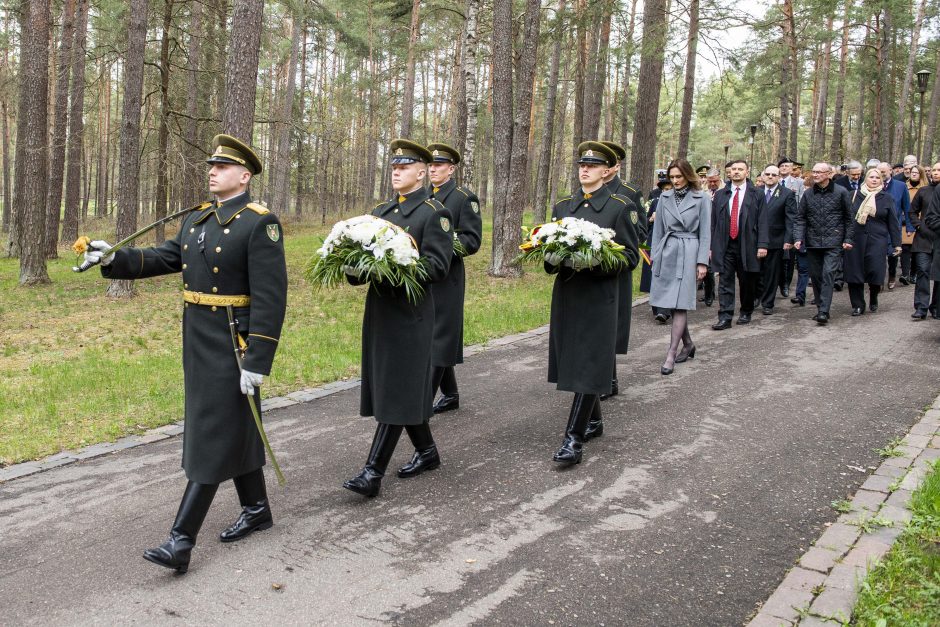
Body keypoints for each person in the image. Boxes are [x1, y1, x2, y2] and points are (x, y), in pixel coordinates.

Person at [82, 134, 288, 573]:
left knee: (213, 432)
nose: (212, 171)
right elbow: (164, 257)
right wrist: (111, 259)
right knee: (229, 423)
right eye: (211, 165)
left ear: (244, 176)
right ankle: (256, 509)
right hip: (198, 340)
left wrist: (257, 361)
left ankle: (181, 540)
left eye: (223, 167)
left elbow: (271, 299)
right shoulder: (197, 219)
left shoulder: (259, 223)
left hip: (234, 344)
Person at [343, 139, 453, 497]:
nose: (396, 171)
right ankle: (427, 451)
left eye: (404, 167)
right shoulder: (380, 212)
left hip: (411, 314)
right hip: (380, 313)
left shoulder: (434, 213)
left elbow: (438, 266)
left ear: (421, 172)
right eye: (393, 166)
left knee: (397, 388)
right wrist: (350, 265)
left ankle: (372, 472)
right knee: (395, 385)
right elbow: (363, 261)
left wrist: (395, 266)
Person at [545, 142, 637, 464]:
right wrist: (551, 256)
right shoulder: (562, 206)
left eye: (594, 166)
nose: (585, 169)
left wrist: (595, 261)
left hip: (599, 297)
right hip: (568, 294)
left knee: (587, 361)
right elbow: (548, 246)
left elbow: (628, 256)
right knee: (574, 358)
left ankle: (573, 440)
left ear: (607, 171)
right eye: (582, 164)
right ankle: (594, 420)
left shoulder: (619, 207)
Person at [425, 142, 483, 414]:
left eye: (439, 165)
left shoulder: (463, 198)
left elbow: (472, 240)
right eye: (431, 165)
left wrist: (442, 246)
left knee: (440, 335)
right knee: (432, 332)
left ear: (451, 168)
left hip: (448, 276)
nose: (433, 169)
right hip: (423, 275)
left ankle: (422, 402)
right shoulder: (423, 196)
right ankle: (451, 394)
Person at [650, 159, 710, 374]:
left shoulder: (702, 198)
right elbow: (657, 230)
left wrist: (702, 262)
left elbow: (705, 232)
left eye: (679, 176)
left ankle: (671, 353)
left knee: (681, 303)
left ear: (688, 175)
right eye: (672, 177)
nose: (675, 181)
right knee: (671, 302)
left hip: (689, 251)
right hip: (668, 250)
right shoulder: (664, 197)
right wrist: (655, 256)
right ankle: (689, 344)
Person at [600, 140, 646, 399]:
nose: (602, 169)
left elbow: (639, 231)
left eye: (608, 163)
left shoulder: (629, 193)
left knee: (613, 320)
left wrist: (609, 245)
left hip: (616, 265)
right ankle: (607, 376)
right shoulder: (585, 192)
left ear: (616, 166)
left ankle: (609, 376)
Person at [792, 162, 855, 324]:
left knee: (828, 274)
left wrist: (848, 239)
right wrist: (798, 238)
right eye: (813, 172)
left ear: (828, 174)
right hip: (813, 241)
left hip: (834, 241)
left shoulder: (841, 192)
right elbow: (800, 218)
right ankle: (821, 306)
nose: (815, 175)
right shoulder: (808, 194)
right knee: (816, 276)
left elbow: (849, 219)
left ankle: (824, 311)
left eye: (819, 172)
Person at [710, 159, 765, 330]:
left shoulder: (757, 193)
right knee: (725, 281)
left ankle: (746, 310)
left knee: (747, 281)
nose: (736, 172)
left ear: (747, 172)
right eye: (733, 169)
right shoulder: (721, 194)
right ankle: (725, 316)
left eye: (740, 169)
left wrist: (762, 244)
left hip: (748, 243)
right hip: (726, 244)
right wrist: (711, 246)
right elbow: (713, 222)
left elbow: (763, 220)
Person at [844, 168, 901, 315]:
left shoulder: (886, 198)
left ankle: (874, 295)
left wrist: (897, 243)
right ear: (866, 179)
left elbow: (893, 222)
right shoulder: (854, 195)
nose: (874, 180)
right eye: (871, 177)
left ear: (881, 181)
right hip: (855, 239)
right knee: (854, 272)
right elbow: (846, 219)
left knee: (875, 271)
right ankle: (857, 304)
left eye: (877, 178)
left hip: (877, 240)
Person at [756, 164, 796, 314]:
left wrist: (788, 239)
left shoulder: (786, 193)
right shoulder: (756, 192)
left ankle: (768, 303)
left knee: (771, 273)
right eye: (768, 174)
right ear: (763, 176)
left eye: (774, 174)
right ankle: (756, 296)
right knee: (755, 271)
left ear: (779, 176)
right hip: (756, 239)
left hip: (776, 239)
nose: (770, 177)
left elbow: (790, 219)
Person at [641, 171, 674, 322]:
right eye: (664, 189)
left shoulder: (679, 202)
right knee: (653, 273)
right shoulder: (655, 202)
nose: (666, 192)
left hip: (671, 242)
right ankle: (657, 308)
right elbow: (646, 222)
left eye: (669, 189)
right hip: (654, 240)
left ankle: (665, 309)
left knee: (668, 274)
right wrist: (651, 219)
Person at [909, 162, 940, 319]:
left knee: (938, 275)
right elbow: (912, 211)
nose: (935, 173)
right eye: (934, 170)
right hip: (923, 239)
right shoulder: (923, 191)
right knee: (922, 271)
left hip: (939, 240)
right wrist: (919, 226)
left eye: (939, 170)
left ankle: (935, 306)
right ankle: (921, 306)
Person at [877, 162, 912, 289]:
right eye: (879, 172)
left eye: (883, 172)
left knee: (893, 253)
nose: (881, 174)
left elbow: (907, 208)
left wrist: (909, 227)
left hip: (894, 225)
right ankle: (878, 280)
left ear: (890, 171)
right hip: (878, 225)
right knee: (878, 254)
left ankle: (892, 275)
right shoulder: (874, 184)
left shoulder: (901, 186)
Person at [900, 165, 927, 285]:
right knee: (905, 248)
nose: (914, 174)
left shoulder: (925, 189)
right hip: (905, 221)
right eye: (912, 172)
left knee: (916, 250)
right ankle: (905, 274)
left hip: (920, 222)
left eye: (916, 172)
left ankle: (914, 274)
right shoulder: (904, 187)